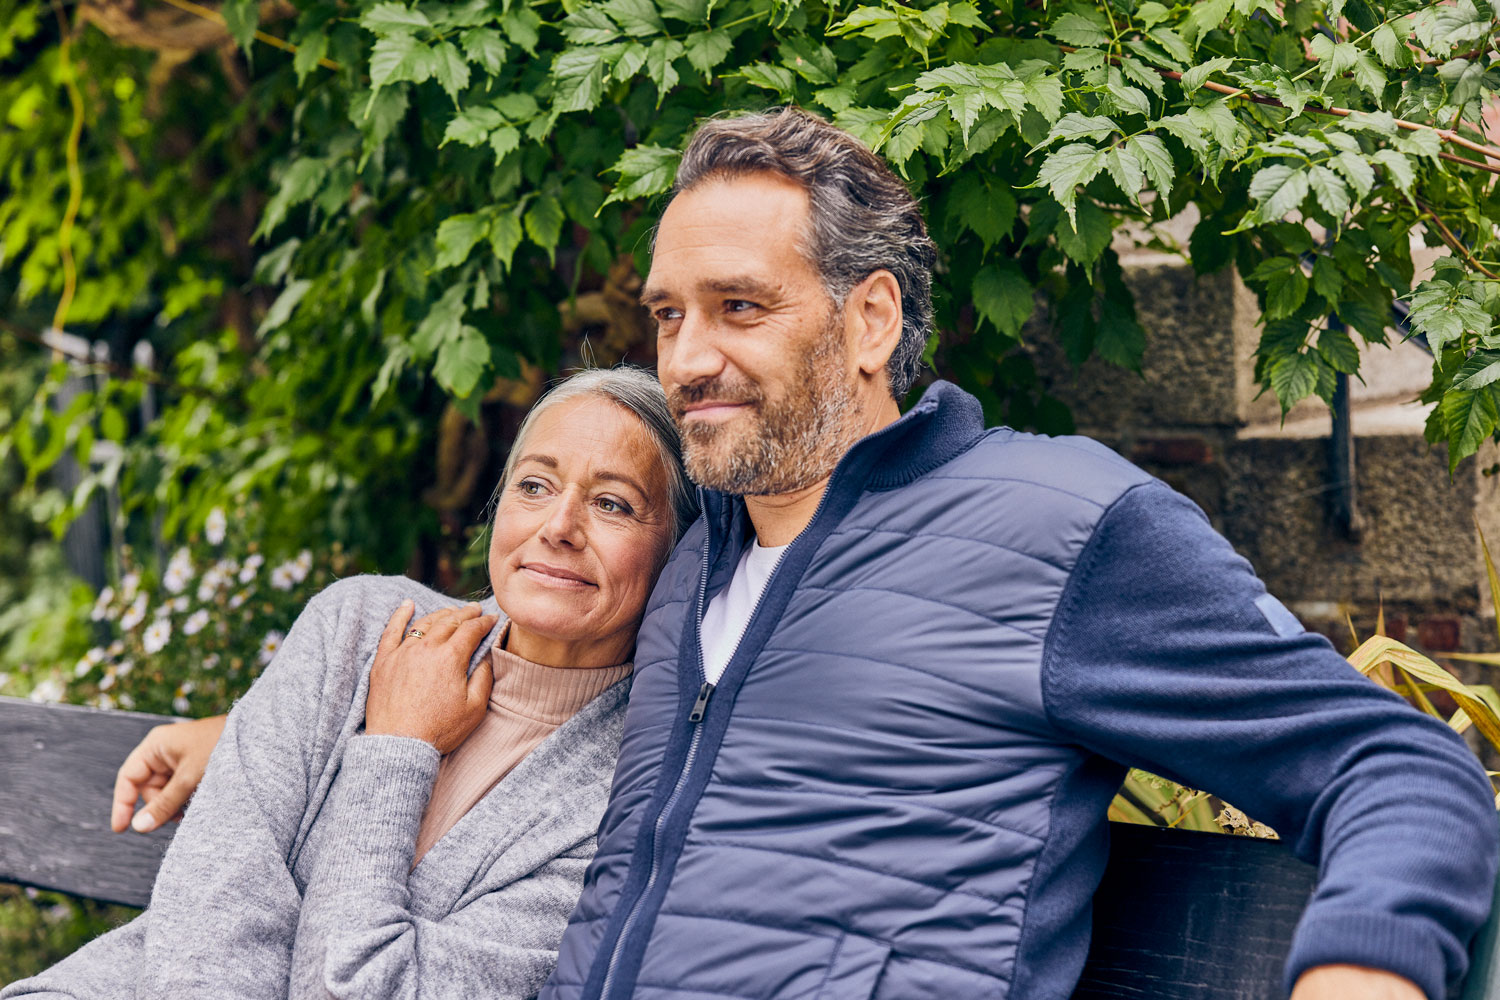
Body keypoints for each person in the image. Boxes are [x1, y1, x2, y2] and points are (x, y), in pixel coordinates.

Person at [101, 108, 1497, 1000]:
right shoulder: (699, 551)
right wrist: (270, 725)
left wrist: (1369, 968)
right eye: (666, 316)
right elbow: (540, 599)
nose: (689, 359)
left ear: (871, 319)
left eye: (740, 309)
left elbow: (1394, 762)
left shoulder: (1064, 530)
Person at [2, 366, 696, 1000]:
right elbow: (217, 894)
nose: (558, 527)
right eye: (534, 486)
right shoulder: (361, 626)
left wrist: (395, 748)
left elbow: (361, 990)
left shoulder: (626, 797)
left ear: (680, 552)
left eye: (612, 504)